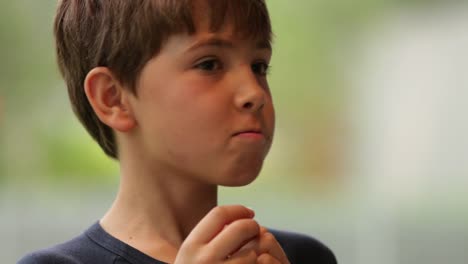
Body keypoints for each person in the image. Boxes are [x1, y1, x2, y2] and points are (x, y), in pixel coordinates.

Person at [18, 0, 337, 263]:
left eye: (259, 66)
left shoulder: (302, 257)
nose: (254, 92)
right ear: (113, 98)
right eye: (210, 64)